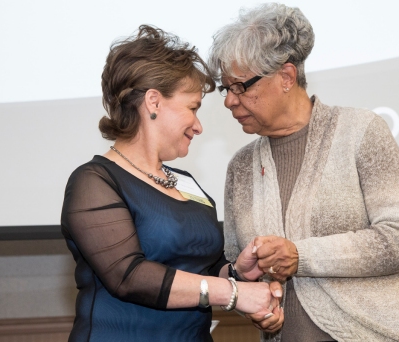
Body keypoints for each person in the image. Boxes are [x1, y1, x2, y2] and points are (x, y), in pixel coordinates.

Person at [209, 3, 399, 341]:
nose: (229, 101)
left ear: (286, 77)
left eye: (241, 86)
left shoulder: (361, 131)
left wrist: (300, 256)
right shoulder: (241, 166)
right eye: (226, 89)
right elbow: (239, 266)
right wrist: (254, 304)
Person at [60, 25, 282, 341]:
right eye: (192, 108)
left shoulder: (185, 182)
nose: (199, 126)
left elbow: (201, 270)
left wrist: (236, 273)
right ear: (154, 102)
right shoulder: (94, 181)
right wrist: (232, 292)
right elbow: (129, 276)